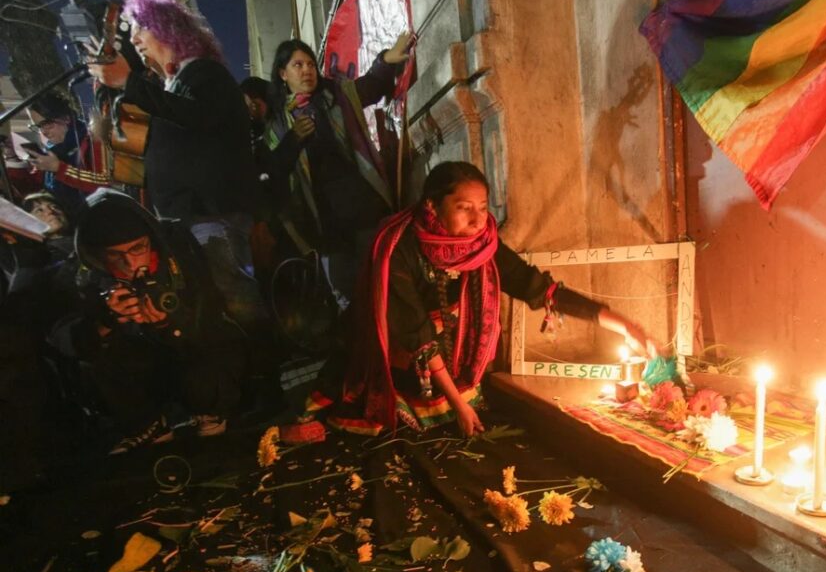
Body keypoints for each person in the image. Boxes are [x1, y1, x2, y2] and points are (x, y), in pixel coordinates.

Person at [318, 161, 659, 437]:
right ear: (432, 206)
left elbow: (533, 286)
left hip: (443, 353)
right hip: (401, 348)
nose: (478, 218)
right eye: (464, 208)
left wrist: (623, 325)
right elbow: (416, 332)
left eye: (482, 207)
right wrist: (459, 405)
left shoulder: (482, 245)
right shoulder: (399, 249)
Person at [86, 0, 267, 330]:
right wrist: (113, 85)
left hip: (212, 215)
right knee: (209, 304)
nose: (134, 39)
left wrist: (128, 81)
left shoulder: (205, 73)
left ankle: (263, 356)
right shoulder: (169, 84)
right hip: (185, 217)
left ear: (166, 28)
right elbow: (130, 138)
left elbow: (197, 116)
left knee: (235, 299)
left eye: (140, 29)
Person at [56, 190, 247, 454]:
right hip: (142, 365)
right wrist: (106, 322)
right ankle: (147, 425)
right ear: (97, 255)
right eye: (115, 255)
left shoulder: (178, 249)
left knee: (215, 342)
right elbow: (63, 338)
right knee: (92, 359)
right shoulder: (81, 276)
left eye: (138, 248)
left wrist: (169, 323)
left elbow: (211, 313)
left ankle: (210, 410)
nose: (130, 262)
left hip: (186, 354)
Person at [265, 36, 410, 311]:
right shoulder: (277, 126)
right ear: (283, 74)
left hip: (362, 207)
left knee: (384, 283)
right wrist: (293, 141)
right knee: (347, 295)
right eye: (298, 65)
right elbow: (274, 171)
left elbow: (370, 87)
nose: (307, 70)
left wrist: (386, 60)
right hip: (324, 223)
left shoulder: (336, 97)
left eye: (310, 64)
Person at [24, 92, 110, 218]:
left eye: (47, 124)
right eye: (38, 127)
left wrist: (59, 168)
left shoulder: (93, 140)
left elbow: (104, 183)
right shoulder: (53, 151)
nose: (43, 132)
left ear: (66, 118)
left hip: (96, 217)